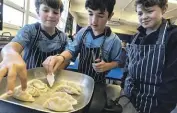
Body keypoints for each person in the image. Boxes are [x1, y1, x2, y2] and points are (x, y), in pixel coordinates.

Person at [43, 0, 123, 84]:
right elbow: (72, 50)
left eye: (100, 16)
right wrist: (60, 57)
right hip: (81, 80)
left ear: (110, 16)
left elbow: (117, 62)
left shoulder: (114, 40)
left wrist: (107, 66)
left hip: (99, 83)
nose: (94, 21)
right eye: (90, 14)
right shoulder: (83, 32)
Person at [0, 0, 68, 95]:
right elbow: (13, 46)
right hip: (28, 81)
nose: (51, 15)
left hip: (53, 82)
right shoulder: (29, 30)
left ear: (60, 15)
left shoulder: (63, 37)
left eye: (55, 12)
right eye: (45, 10)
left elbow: (67, 58)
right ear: (37, 12)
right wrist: (10, 54)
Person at [123, 0, 177, 113]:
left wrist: (162, 109)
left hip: (153, 107)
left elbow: (171, 82)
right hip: (127, 99)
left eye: (149, 11)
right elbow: (128, 66)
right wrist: (123, 85)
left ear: (164, 8)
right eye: (140, 13)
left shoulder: (172, 37)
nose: (144, 17)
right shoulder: (135, 38)